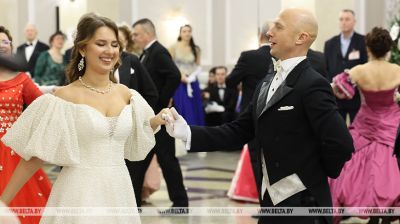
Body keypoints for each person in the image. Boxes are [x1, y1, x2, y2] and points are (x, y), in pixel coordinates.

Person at [165, 8, 354, 224]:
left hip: (304, 208)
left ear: (301, 38)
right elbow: (239, 130)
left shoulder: (313, 84)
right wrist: (187, 131)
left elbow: (341, 143)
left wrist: (311, 177)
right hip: (270, 203)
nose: (270, 33)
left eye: (279, 27)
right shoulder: (267, 79)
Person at [0, 13, 168, 224]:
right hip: (78, 194)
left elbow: (138, 129)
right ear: (82, 48)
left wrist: (158, 119)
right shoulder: (63, 98)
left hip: (119, 191)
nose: (110, 51)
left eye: (114, 44)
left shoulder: (127, 94)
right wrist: (2, 203)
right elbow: (35, 156)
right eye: (101, 44)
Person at [330, 27, 400, 224]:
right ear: (389, 49)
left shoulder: (359, 71)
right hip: (392, 124)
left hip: (365, 123)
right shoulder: (397, 71)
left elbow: (338, 91)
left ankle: (371, 214)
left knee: (361, 169)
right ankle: (385, 213)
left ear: (368, 47)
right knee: (388, 169)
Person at [131, 18, 187, 209]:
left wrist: (161, 102)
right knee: (141, 159)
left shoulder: (158, 52)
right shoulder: (147, 53)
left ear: (147, 34)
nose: (134, 38)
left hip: (159, 117)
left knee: (167, 160)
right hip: (152, 118)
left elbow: (174, 74)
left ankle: (180, 202)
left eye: (136, 34)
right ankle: (134, 202)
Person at [0, 25, 52, 224]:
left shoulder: (21, 79)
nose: (1, 46)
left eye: (5, 42)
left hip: (13, 149)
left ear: (11, 47)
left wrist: (29, 131)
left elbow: (45, 107)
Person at [324, 9, 368, 122]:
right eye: (341, 19)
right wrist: (333, 88)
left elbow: (366, 66)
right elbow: (326, 69)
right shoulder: (330, 44)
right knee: (339, 130)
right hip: (336, 96)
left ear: (354, 22)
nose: (344, 22)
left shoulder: (363, 41)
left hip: (356, 95)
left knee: (356, 129)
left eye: (347, 19)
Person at [169, 24, 205, 126]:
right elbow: (170, 64)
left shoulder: (196, 49)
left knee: (195, 107)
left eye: (189, 31)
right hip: (179, 81)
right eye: (184, 31)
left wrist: (192, 77)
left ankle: (196, 132)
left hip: (192, 81)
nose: (187, 33)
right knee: (183, 106)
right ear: (180, 33)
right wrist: (181, 76)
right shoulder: (173, 47)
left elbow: (198, 66)